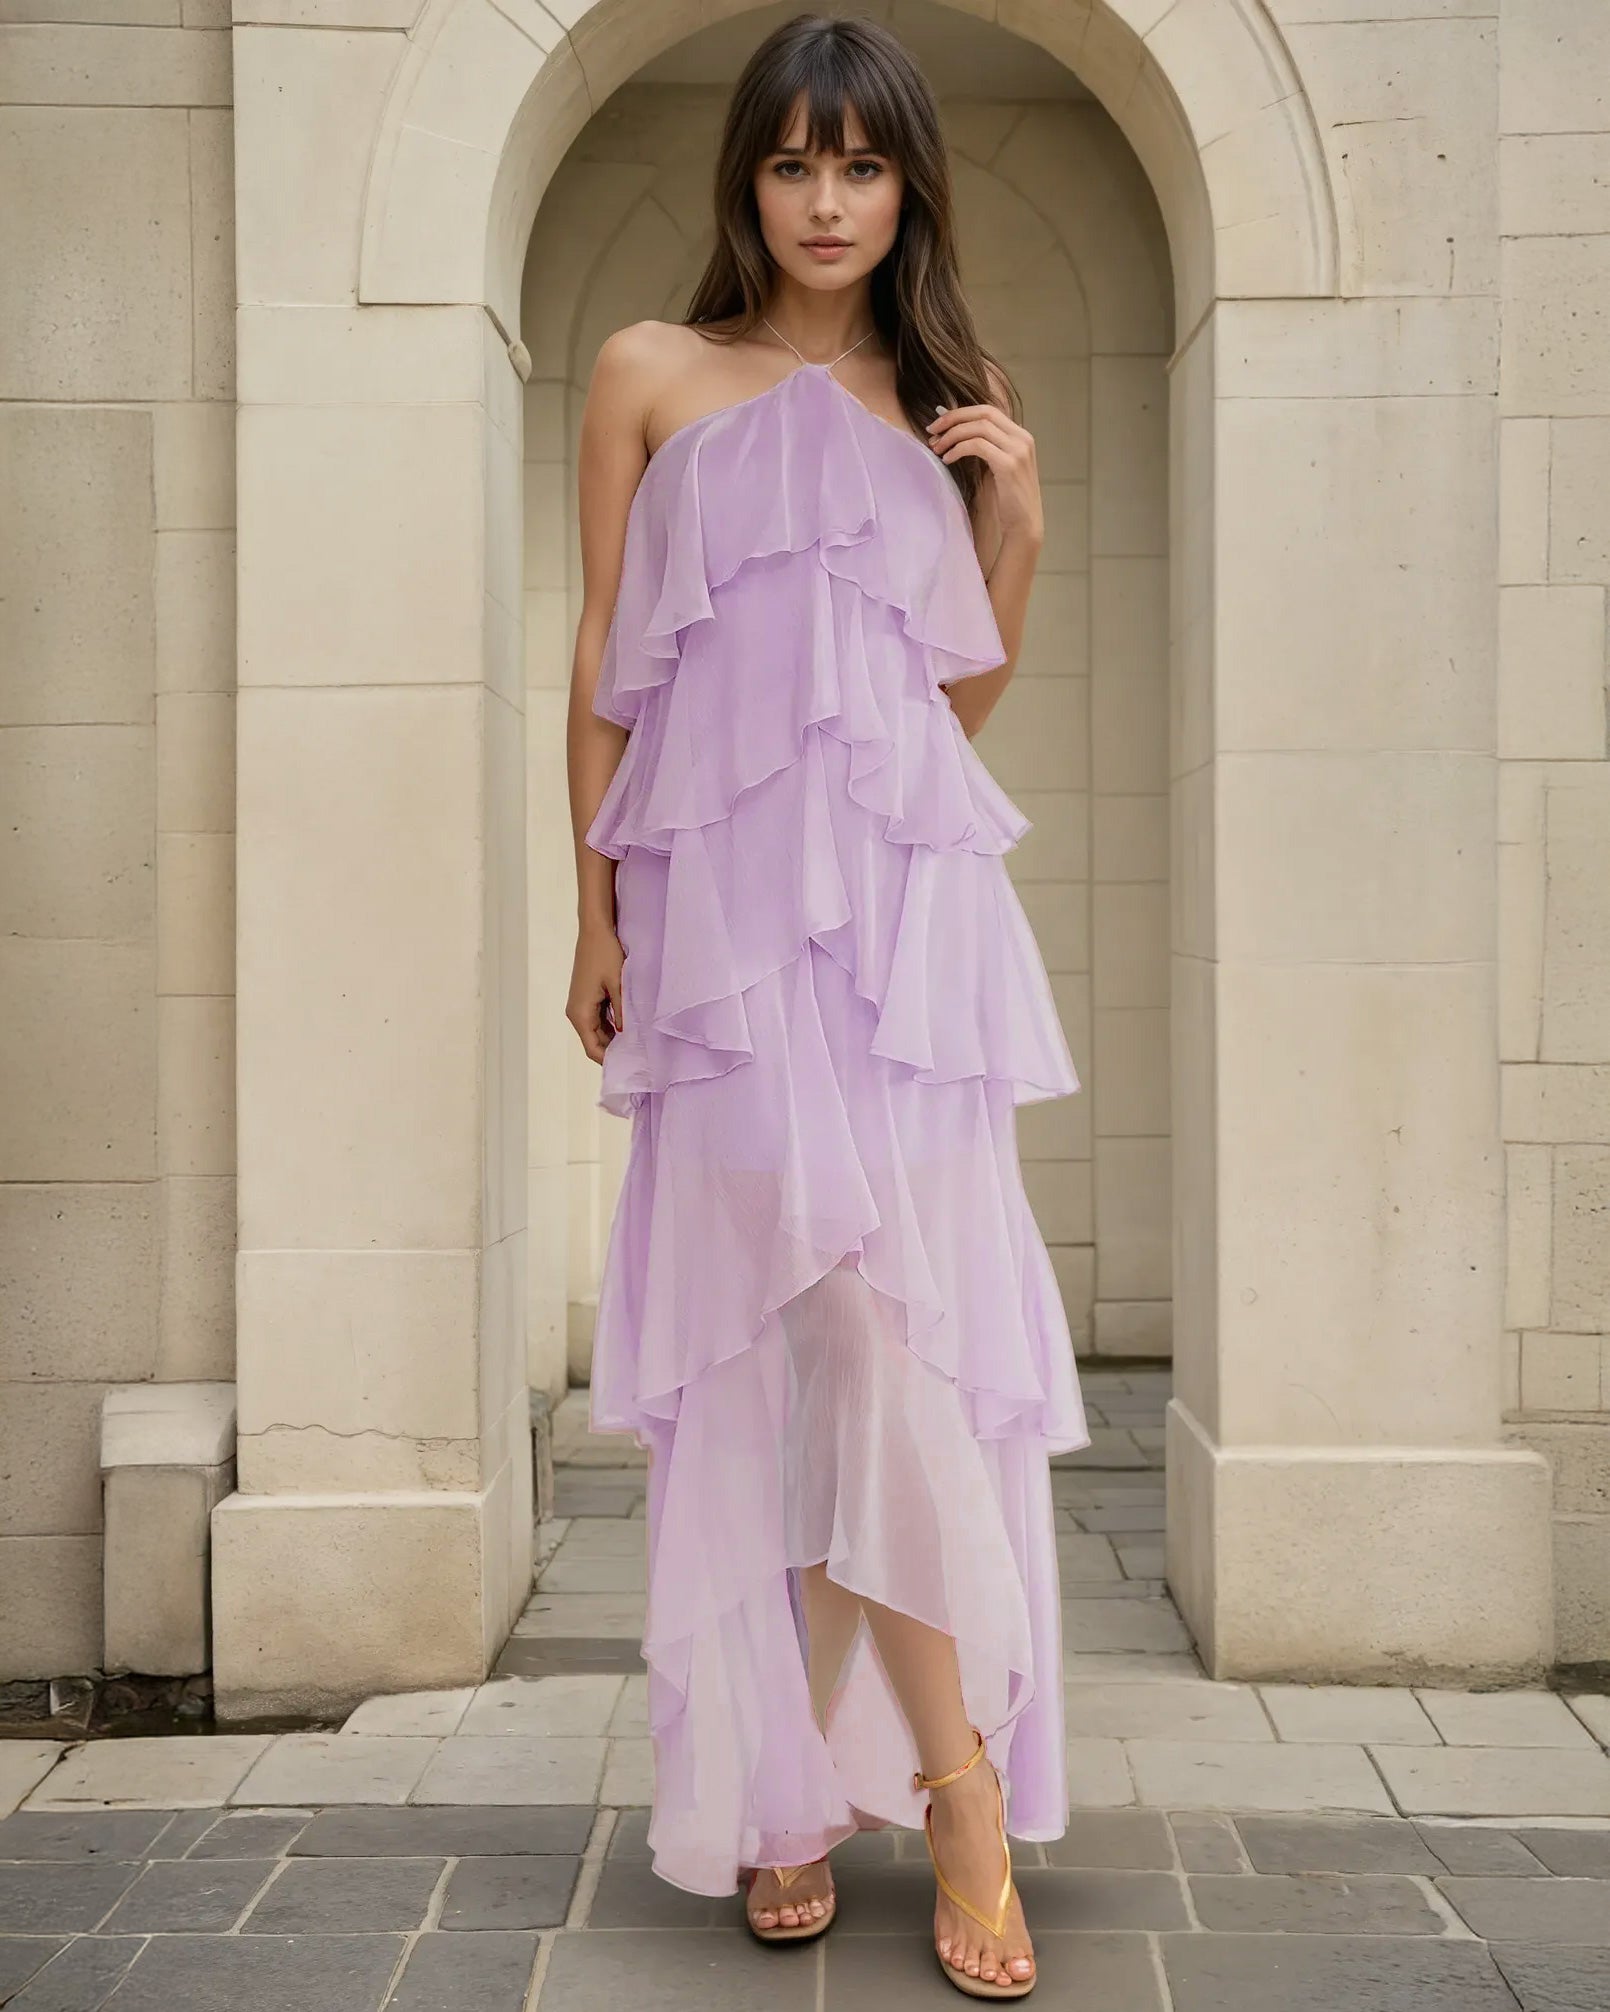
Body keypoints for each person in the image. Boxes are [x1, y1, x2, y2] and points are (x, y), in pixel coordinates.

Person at [564, 13, 1088, 1999]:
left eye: (859, 168)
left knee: (865, 1336)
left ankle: (877, 1784)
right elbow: (606, 665)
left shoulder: (940, 402)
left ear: (906, 187)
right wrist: (594, 910)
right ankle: (901, 1783)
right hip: (711, 940)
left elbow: (933, 722)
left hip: (894, 940)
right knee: (807, 1337)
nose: (824, 201)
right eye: (792, 164)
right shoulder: (646, 373)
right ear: (747, 182)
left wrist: (1014, 525)